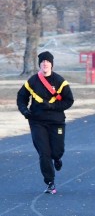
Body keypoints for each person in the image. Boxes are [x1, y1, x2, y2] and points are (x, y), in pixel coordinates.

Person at [16, 51, 74, 194]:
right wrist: (24, 110)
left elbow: (69, 100)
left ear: (52, 64)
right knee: (44, 152)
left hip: (56, 121)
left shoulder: (60, 81)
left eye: (47, 62)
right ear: (39, 64)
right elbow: (21, 97)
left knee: (57, 150)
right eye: (42, 62)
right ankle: (50, 182)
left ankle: (57, 158)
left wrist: (53, 106)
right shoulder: (33, 81)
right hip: (37, 122)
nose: (45, 64)